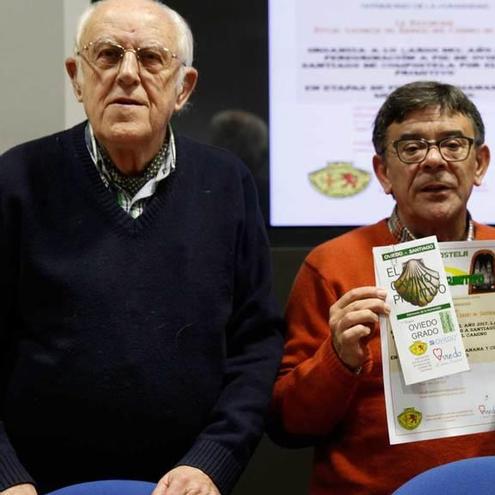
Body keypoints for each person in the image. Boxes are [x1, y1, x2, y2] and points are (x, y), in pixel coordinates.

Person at [0, 1, 283, 494]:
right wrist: (7, 477)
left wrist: (213, 460)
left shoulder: (228, 183)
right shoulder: (16, 180)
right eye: (107, 55)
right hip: (37, 487)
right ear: (77, 77)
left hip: (187, 485)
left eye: (151, 58)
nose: (128, 75)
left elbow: (255, 343)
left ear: (183, 87)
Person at [272, 81, 495, 494]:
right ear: (382, 173)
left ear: (480, 164)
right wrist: (338, 358)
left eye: (453, 144)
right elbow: (287, 424)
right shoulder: (330, 266)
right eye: (411, 148)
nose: (434, 161)